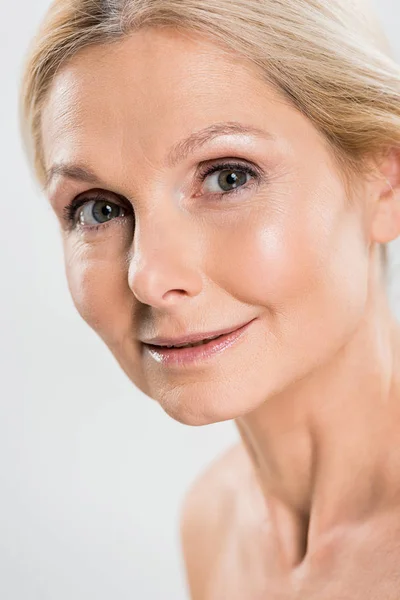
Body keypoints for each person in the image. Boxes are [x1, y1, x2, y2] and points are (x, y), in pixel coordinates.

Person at [19, 0, 400, 597]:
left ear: (387, 181)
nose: (148, 276)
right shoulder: (213, 523)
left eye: (228, 176)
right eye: (99, 209)